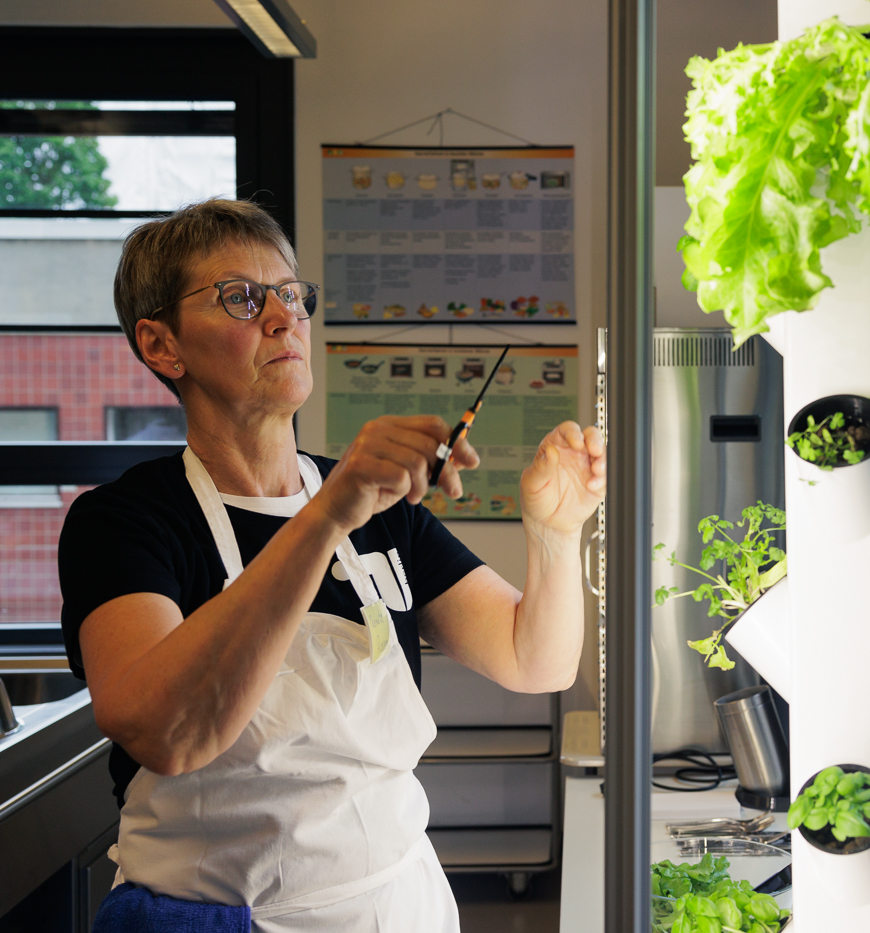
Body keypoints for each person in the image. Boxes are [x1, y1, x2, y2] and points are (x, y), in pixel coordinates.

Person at [56, 199, 605, 932]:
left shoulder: (381, 510)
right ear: (162, 345)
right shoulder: (125, 521)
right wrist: (325, 515)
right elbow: (166, 731)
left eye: (290, 294)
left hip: (395, 906)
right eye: (241, 298)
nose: (283, 318)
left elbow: (535, 660)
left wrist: (555, 530)